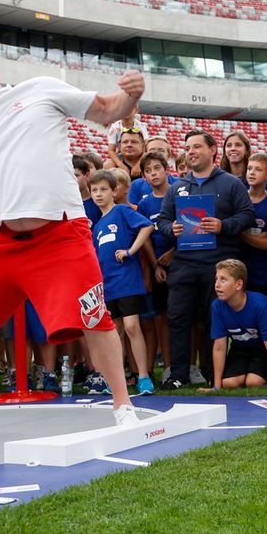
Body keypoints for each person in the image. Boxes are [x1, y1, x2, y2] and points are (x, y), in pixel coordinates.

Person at [0, 63, 146, 439]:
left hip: (60, 232)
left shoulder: (38, 88)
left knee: (93, 317)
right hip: (1, 239)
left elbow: (105, 108)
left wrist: (131, 95)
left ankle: (123, 406)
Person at [157, 129, 255, 390]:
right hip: (185, 264)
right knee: (178, 318)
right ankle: (178, 374)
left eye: (197, 147)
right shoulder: (177, 187)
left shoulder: (231, 183)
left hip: (219, 263)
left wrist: (223, 225)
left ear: (213, 151)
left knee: (214, 320)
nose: (191, 152)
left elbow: (247, 215)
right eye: (188, 147)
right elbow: (163, 221)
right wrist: (172, 229)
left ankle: (214, 373)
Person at [90, 169, 155, 395]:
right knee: (115, 332)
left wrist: (131, 250)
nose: (99, 194)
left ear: (114, 191)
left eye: (103, 189)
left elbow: (147, 226)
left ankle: (144, 377)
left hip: (128, 281)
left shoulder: (122, 210)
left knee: (132, 327)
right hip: (108, 287)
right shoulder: (96, 226)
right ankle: (118, 380)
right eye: (94, 190)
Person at [202, 259, 267, 391]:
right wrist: (216, 386)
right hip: (240, 348)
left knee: (253, 382)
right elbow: (219, 347)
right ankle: (244, 373)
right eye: (216, 279)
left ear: (238, 284)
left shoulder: (260, 304)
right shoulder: (217, 306)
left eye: (223, 280)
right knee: (229, 384)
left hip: (263, 348)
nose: (217, 285)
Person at [135, 150, 173, 379]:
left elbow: (189, 228)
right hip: (158, 266)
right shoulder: (145, 203)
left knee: (181, 319)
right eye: (148, 171)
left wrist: (175, 254)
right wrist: (155, 265)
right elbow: (145, 236)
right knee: (160, 320)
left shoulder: (179, 194)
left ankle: (187, 366)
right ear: (144, 178)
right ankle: (168, 368)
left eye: (157, 168)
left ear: (166, 169)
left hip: (181, 263)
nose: (153, 174)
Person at [242, 153, 267, 306]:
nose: (251, 172)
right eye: (249, 168)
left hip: (266, 272)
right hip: (242, 272)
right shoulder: (238, 199)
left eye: (258, 169)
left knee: (266, 316)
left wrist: (241, 235)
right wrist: (258, 239)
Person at [104, 115, 147, 180]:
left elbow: (148, 147)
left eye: (134, 142)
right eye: (125, 142)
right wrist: (121, 165)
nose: (129, 145)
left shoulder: (141, 126)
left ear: (142, 145)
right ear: (119, 145)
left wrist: (139, 164)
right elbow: (110, 150)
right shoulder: (115, 127)